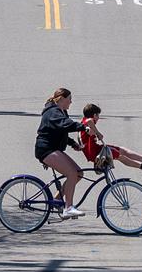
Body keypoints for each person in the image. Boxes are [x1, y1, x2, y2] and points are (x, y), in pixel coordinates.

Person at [34, 88, 96, 220]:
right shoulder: (52, 112)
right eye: (69, 99)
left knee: (78, 173)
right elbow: (65, 124)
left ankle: (57, 201)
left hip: (53, 149)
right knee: (72, 173)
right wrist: (83, 127)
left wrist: (73, 144)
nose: (71, 102)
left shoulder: (61, 111)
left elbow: (60, 131)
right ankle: (68, 208)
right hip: (46, 149)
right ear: (61, 99)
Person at [79, 103, 142, 175]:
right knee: (121, 155)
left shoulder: (83, 122)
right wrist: (98, 133)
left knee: (122, 151)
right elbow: (90, 121)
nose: (98, 119)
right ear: (94, 115)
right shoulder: (88, 122)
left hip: (96, 150)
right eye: (98, 116)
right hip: (96, 152)